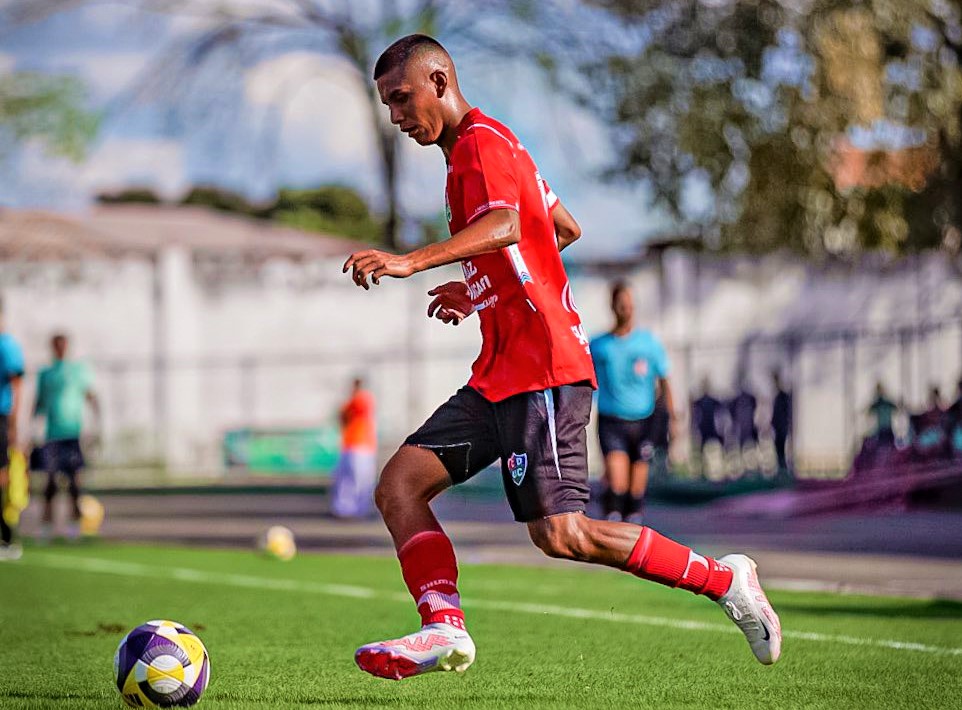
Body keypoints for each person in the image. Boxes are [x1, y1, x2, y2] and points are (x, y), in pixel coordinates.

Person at [342, 34, 781, 680]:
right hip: (499, 376)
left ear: (439, 82)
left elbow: (506, 226)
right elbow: (563, 228)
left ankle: (725, 579)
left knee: (563, 534)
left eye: (402, 98)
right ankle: (443, 627)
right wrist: (481, 287)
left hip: (544, 370)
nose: (396, 116)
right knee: (399, 486)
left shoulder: (480, 144)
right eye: (387, 105)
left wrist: (413, 261)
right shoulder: (489, 150)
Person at [589, 281, 674, 523]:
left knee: (635, 493)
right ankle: (611, 517)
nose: (626, 310)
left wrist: (672, 418)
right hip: (612, 421)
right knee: (618, 485)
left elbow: (665, 381)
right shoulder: (599, 346)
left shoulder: (648, 343)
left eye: (630, 305)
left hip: (644, 421)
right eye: (621, 305)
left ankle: (632, 532)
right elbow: (586, 381)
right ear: (613, 306)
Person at [32, 333, 98, 541]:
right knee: (50, 483)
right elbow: (38, 403)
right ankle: (46, 527)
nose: (60, 349)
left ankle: (74, 528)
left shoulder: (78, 371)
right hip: (53, 436)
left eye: (63, 345)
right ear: (52, 348)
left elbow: (91, 397)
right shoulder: (46, 374)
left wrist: (96, 427)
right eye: (57, 345)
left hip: (73, 435)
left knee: (74, 484)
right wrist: (32, 431)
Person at [330, 377, 378, 518]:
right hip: (352, 444)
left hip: (362, 445)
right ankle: (344, 509)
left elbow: (343, 415)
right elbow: (341, 416)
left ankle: (359, 509)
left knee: (361, 479)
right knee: (347, 479)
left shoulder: (362, 399)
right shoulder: (353, 400)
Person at [0, 305, 24, 560]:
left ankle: (7, 535)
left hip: (1, 417)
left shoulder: (6, 346)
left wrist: (14, 424)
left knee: (2, 476)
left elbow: (17, 385)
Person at [692, 377, 725, 456]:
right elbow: (695, 416)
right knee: (701, 449)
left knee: (720, 444)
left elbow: (721, 411)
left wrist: (721, 427)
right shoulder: (699, 401)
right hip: (704, 428)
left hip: (713, 427)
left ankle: (723, 456)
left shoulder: (713, 401)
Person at [770, 371, 793, 473]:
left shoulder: (783, 397)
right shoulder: (776, 397)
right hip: (778, 430)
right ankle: (781, 470)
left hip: (783, 430)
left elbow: (787, 414)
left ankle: (784, 471)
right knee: (778, 452)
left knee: (783, 453)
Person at [867, 382, 897, 446]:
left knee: (889, 444)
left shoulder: (886, 402)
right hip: (881, 429)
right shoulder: (878, 403)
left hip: (888, 428)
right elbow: (869, 410)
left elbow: (896, 408)